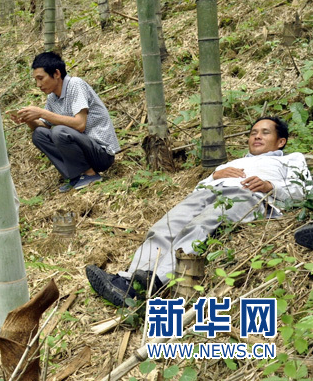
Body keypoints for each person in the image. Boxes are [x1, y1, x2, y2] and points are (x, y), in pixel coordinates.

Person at [86, 117, 312, 308]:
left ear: (281, 141)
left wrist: (270, 186)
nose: (257, 137)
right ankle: (127, 281)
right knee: (164, 227)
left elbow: (304, 191)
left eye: (265, 133)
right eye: (253, 133)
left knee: (200, 226)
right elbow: (199, 186)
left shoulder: (292, 161)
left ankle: (154, 281)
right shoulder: (235, 161)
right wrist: (215, 176)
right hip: (206, 193)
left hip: (247, 196)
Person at [12, 51, 120, 192]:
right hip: (84, 150)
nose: (38, 84)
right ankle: (75, 176)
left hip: (101, 153)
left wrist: (41, 112)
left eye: (41, 78)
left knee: (59, 131)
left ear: (56, 74)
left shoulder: (75, 85)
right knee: (39, 134)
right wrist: (28, 119)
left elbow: (80, 124)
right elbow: (43, 124)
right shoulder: (52, 97)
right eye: (36, 80)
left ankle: (90, 174)